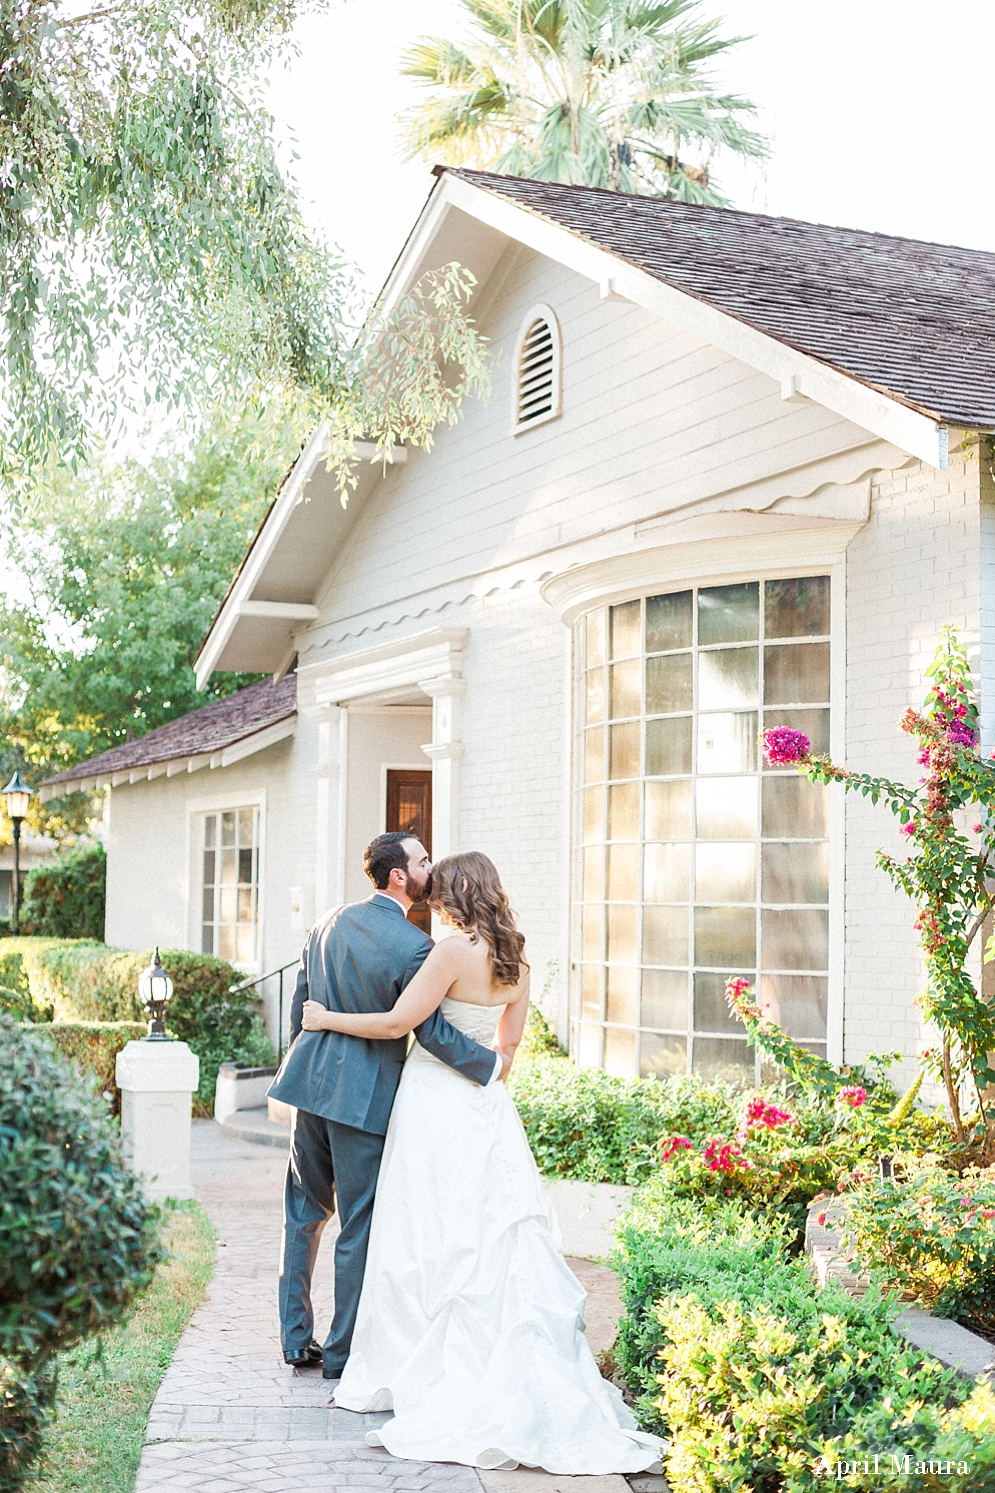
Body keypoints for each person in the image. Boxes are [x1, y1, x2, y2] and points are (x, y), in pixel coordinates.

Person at [299, 850, 663, 1475]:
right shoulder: (515, 958)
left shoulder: (448, 952)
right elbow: (507, 1050)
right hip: (485, 1103)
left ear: (454, 895)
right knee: (490, 1225)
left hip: (432, 1099)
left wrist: (324, 1017)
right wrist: (487, 1078)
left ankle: (409, 1358)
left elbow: (397, 1024)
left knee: (421, 1225)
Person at [266, 833, 503, 1379]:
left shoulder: (325, 921)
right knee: (359, 1224)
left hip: (310, 1084)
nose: (430, 868)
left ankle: (295, 1339)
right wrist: (488, 1066)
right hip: (364, 1097)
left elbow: (305, 1004)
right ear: (399, 876)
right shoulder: (415, 946)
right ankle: (343, 1353)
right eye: (422, 862)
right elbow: (432, 1031)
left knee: (302, 1213)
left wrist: (311, 1052)